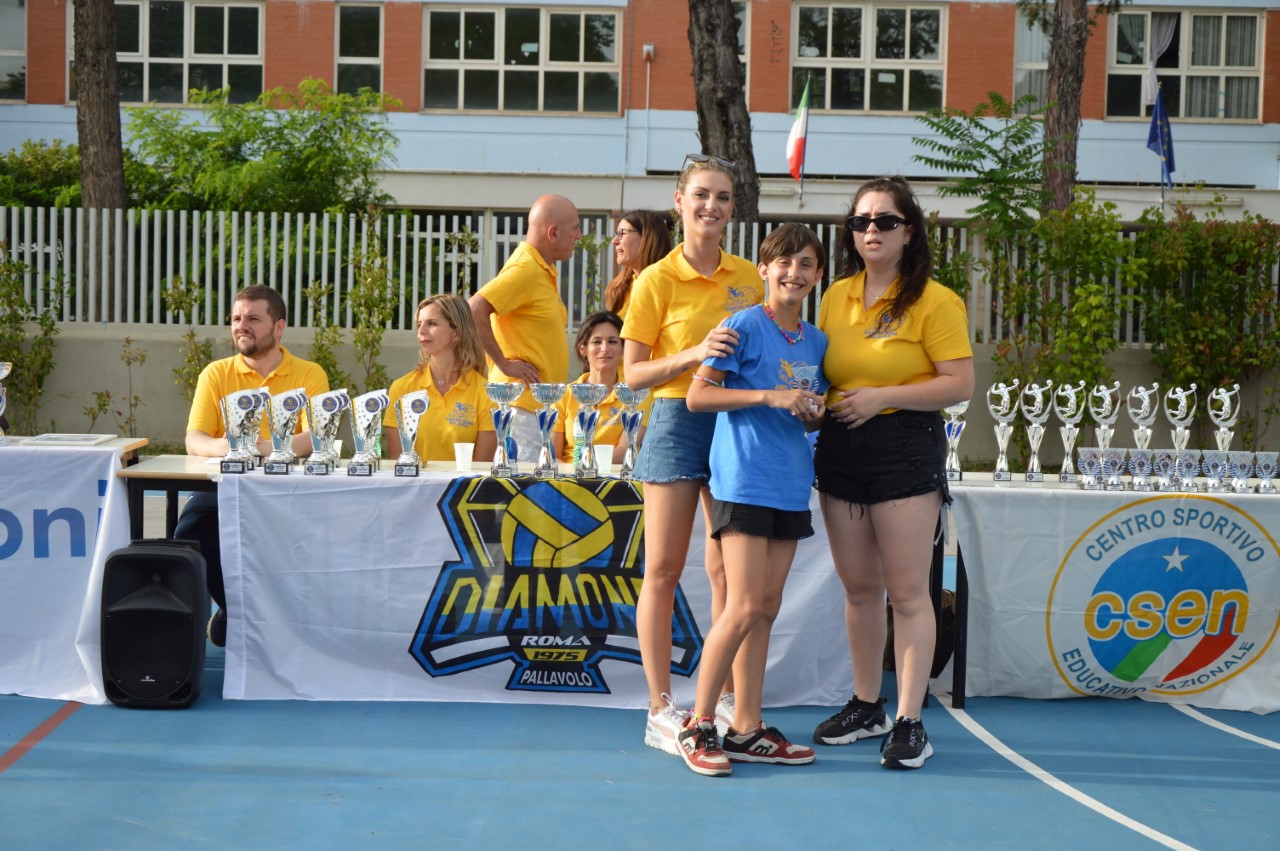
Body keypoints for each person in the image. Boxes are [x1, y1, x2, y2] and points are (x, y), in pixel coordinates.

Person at [811, 176, 974, 770]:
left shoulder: (935, 299)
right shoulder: (835, 295)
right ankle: (867, 705)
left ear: (909, 232)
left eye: (885, 221)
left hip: (904, 447)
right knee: (859, 590)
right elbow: (824, 372)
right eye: (861, 222)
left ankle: (909, 721)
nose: (871, 231)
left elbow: (960, 384)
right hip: (840, 447)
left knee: (907, 593)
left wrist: (884, 397)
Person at [621, 153, 763, 756]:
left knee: (728, 571)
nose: (712, 206)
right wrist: (694, 353)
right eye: (701, 194)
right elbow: (632, 374)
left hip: (735, 421)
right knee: (663, 569)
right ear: (679, 202)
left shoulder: (751, 277)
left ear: (733, 208)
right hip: (678, 420)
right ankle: (659, 707)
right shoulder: (654, 280)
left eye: (723, 197)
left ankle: (724, 698)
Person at [678, 223, 829, 776]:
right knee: (741, 606)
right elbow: (697, 396)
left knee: (765, 607)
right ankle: (698, 724)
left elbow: (808, 411)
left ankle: (746, 726)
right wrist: (769, 395)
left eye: (806, 264)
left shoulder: (817, 341)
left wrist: (813, 411)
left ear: (818, 275)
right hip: (743, 481)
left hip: (790, 484)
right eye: (783, 262)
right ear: (764, 269)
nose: (794, 272)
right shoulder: (742, 325)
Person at [176, 284, 330, 647]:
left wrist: (261, 449)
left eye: (253, 319)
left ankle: (283, 622)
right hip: (226, 486)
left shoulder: (309, 373)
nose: (241, 326)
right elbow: (194, 439)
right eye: (236, 318)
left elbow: (315, 437)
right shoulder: (215, 373)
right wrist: (228, 446)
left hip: (288, 489)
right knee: (190, 532)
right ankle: (237, 611)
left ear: (279, 327)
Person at [468, 194, 577, 462]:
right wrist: (504, 364)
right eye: (575, 227)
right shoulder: (526, 268)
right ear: (553, 233)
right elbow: (474, 308)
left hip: (533, 407)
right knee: (525, 484)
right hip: (521, 408)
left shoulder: (540, 268)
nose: (579, 235)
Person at [383, 293, 497, 464]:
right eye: (419, 324)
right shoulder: (402, 389)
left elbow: (481, 467)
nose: (421, 331)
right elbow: (397, 463)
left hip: (464, 482)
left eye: (432, 323)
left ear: (456, 332)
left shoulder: (486, 393)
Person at [552, 311, 650, 466]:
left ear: (623, 349)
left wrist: (585, 465)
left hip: (615, 478)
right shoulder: (564, 395)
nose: (605, 348)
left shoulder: (636, 395)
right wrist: (576, 474)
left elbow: (624, 452)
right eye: (597, 342)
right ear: (583, 349)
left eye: (612, 341)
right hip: (569, 476)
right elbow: (553, 457)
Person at [603, 210, 674, 320]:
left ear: (647, 237)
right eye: (616, 234)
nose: (614, 241)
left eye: (622, 233)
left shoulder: (670, 286)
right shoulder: (619, 288)